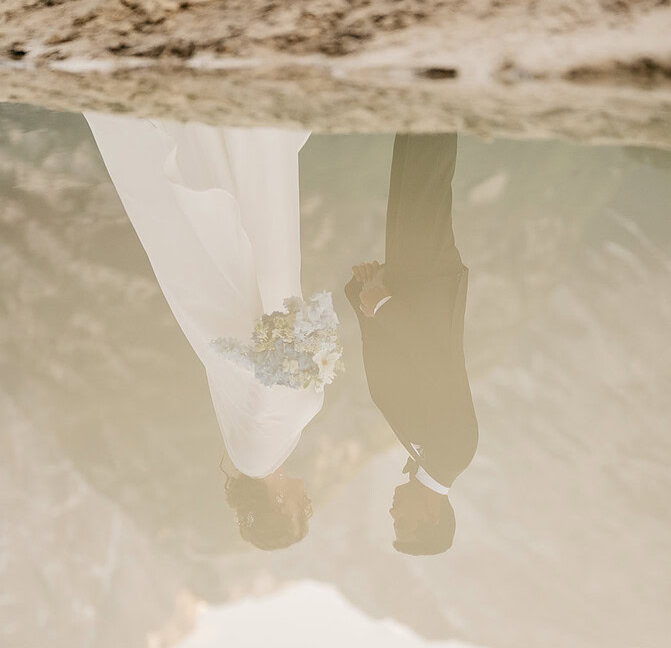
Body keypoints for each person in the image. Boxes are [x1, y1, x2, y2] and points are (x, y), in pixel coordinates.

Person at [85, 115, 321, 550]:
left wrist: (298, 347)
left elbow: (262, 383)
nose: (308, 503)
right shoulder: (257, 454)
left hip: (265, 312)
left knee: (252, 216)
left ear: (282, 509)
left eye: (301, 513)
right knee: (259, 211)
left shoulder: (257, 455)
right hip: (272, 316)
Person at [345, 133, 478, 555]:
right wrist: (383, 306)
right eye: (404, 523)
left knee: (407, 171)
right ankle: (439, 85)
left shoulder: (423, 457)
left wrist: (368, 290)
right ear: (433, 516)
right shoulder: (454, 451)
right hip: (429, 283)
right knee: (426, 175)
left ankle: (418, 98)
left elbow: (398, 365)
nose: (392, 514)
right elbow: (436, 363)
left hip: (408, 285)